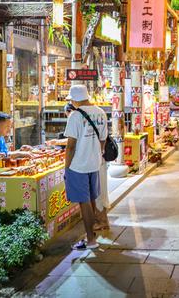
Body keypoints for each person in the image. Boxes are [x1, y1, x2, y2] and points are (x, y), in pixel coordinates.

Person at [64, 84, 107, 250]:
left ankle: (91, 240)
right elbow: (103, 139)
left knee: (84, 203)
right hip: (94, 163)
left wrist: (66, 167)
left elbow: (70, 146)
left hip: (78, 165)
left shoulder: (75, 116)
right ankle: (92, 235)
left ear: (75, 99)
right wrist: (96, 152)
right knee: (90, 199)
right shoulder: (100, 112)